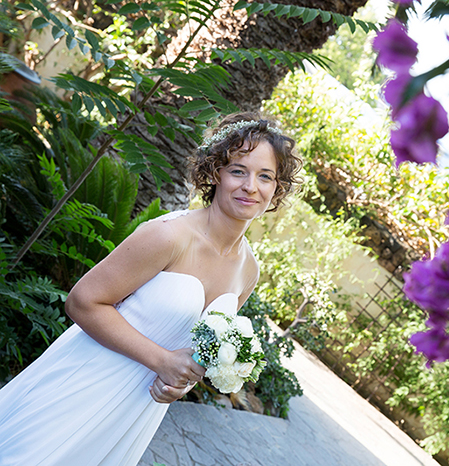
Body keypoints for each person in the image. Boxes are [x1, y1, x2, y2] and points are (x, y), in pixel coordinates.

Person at [0, 112, 302, 465]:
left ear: (277, 189)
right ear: (216, 172)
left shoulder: (249, 270)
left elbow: (196, 350)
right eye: (238, 170)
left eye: (265, 176)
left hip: (139, 407)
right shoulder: (169, 236)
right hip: (87, 381)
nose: (251, 186)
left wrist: (182, 382)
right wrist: (162, 361)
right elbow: (83, 302)